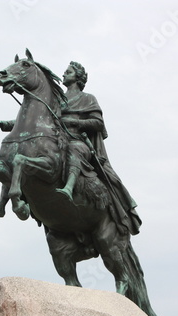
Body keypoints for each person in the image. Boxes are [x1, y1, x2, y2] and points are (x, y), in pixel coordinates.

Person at [57, 61, 142, 235]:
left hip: (79, 142)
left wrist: (75, 122)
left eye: (69, 72)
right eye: (65, 71)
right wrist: (3, 124)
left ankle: (69, 187)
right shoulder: (57, 99)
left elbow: (98, 123)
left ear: (78, 77)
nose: (64, 74)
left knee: (74, 149)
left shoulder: (87, 98)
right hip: (58, 141)